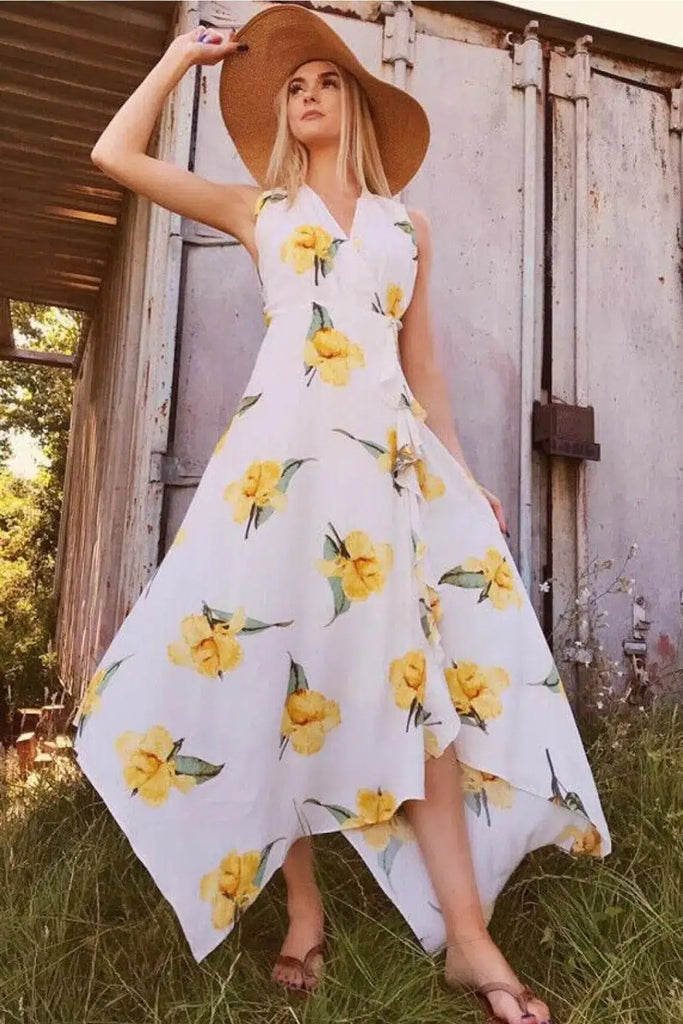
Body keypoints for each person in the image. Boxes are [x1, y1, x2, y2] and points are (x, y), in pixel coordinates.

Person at [74, 5, 611, 1022]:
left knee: (418, 691)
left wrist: (462, 476)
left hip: (387, 475)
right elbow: (114, 155)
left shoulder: (409, 229)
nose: (309, 96)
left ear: (356, 103)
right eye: (295, 87)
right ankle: (304, 907)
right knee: (278, 675)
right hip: (277, 473)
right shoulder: (259, 209)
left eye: (327, 81)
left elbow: (423, 368)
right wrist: (179, 58)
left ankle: (469, 941)